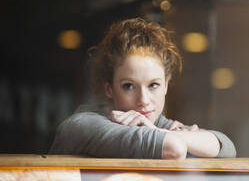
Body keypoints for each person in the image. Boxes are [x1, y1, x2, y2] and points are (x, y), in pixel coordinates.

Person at [49, 17, 236, 159]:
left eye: (153, 85)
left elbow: (226, 148)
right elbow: (174, 148)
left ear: (166, 85)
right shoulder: (81, 125)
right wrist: (171, 136)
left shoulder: (158, 125)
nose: (143, 100)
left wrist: (161, 132)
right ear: (109, 88)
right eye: (129, 86)